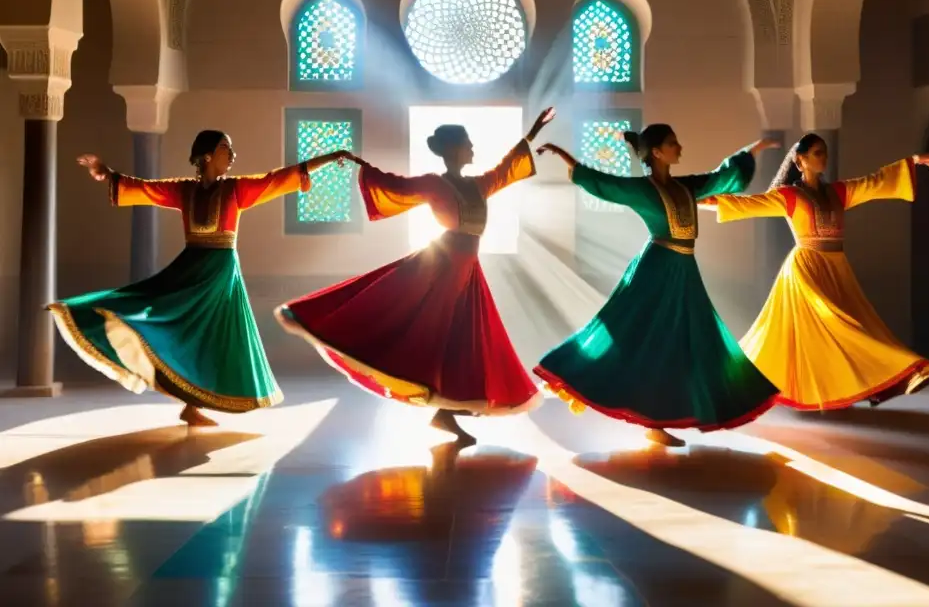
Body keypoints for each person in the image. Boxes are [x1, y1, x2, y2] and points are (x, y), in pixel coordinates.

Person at [276, 108, 556, 444]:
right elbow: (394, 186)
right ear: (452, 149)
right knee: (427, 337)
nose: (472, 149)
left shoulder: (477, 186)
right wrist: (363, 169)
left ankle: (445, 414)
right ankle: (441, 411)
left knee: (461, 346)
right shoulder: (433, 184)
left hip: (468, 273)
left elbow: (505, 170)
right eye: (467, 144)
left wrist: (532, 135)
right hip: (440, 268)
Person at [49, 130, 348, 426]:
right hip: (189, 270)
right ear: (207, 156)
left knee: (212, 340)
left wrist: (328, 158)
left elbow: (278, 179)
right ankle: (184, 398)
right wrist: (106, 173)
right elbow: (145, 188)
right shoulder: (184, 190)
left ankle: (193, 405)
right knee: (164, 322)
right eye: (224, 148)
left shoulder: (235, 190)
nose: (232, 155)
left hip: (220, 277)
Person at [533, 124, 781, 447]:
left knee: (687, 344)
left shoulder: (686, 187)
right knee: (645, 341)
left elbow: (720, 177)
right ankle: (641, 414)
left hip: (684, 272)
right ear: (657, 152)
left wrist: (752, 151)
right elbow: (603, 183)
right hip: (656, 271)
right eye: (672, 143)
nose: (680, 148)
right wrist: (564, 156)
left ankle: (662, 419)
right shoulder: (642, 189)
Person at [701, 132, 929, 409]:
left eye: (824, 152)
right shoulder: (789, 196)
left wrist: (911, 162)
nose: (824, 158)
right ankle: (910, 371)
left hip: (836, 268)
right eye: (817, 153)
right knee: (841, 325)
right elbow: (747, 204)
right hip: (805, 271)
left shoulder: (837, 192)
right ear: (800, 160)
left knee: (853, 329)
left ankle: (869, 383)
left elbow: (873, 183)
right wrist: (698, 201)